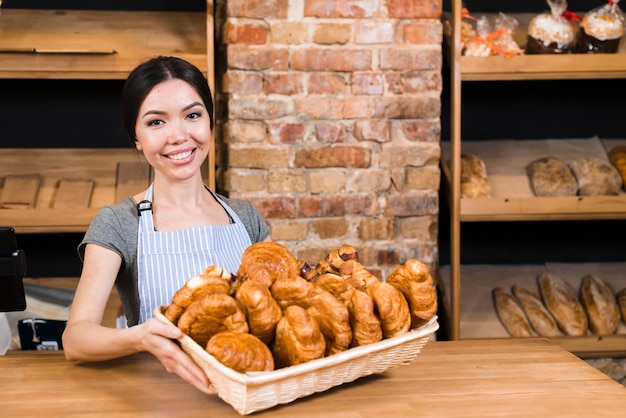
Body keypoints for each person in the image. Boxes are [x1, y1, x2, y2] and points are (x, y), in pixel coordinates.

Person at [62, 56, 270, 394]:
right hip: (160, 398)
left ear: (210, 122)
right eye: (157, 123)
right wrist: (140, 337)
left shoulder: (246, 219)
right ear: (137, 138)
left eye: (192, 115)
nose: (179, 136)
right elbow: (76, 339)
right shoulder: (118, 223)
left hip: (249, 396)